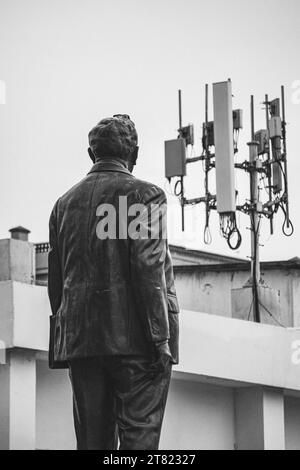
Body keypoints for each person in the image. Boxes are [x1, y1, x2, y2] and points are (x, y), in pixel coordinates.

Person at [47, 114, 179, 450]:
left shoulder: (63, 205)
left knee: (92, 444)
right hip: (136, 343)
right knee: (139, 441)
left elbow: (57, 283)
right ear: (134, 153)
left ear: (92, 155)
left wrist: (67, 335)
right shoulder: (146, 196)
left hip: (81, 344)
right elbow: (148, 268)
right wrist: (160, 338)